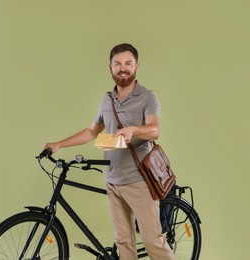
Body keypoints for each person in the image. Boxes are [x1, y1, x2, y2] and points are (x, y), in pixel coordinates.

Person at [43, 43, 175, 260]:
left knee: (153, 242)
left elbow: (155, 130)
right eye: (118, 64)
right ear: (110, 68)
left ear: (136, 67)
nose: (123, 68)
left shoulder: (148, 97)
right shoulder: (107, 99)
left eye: (128, 63)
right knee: (123, 241)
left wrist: (135, 130)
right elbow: (91, 131)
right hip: (113, 180)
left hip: (139, 181)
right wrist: (59, 144)